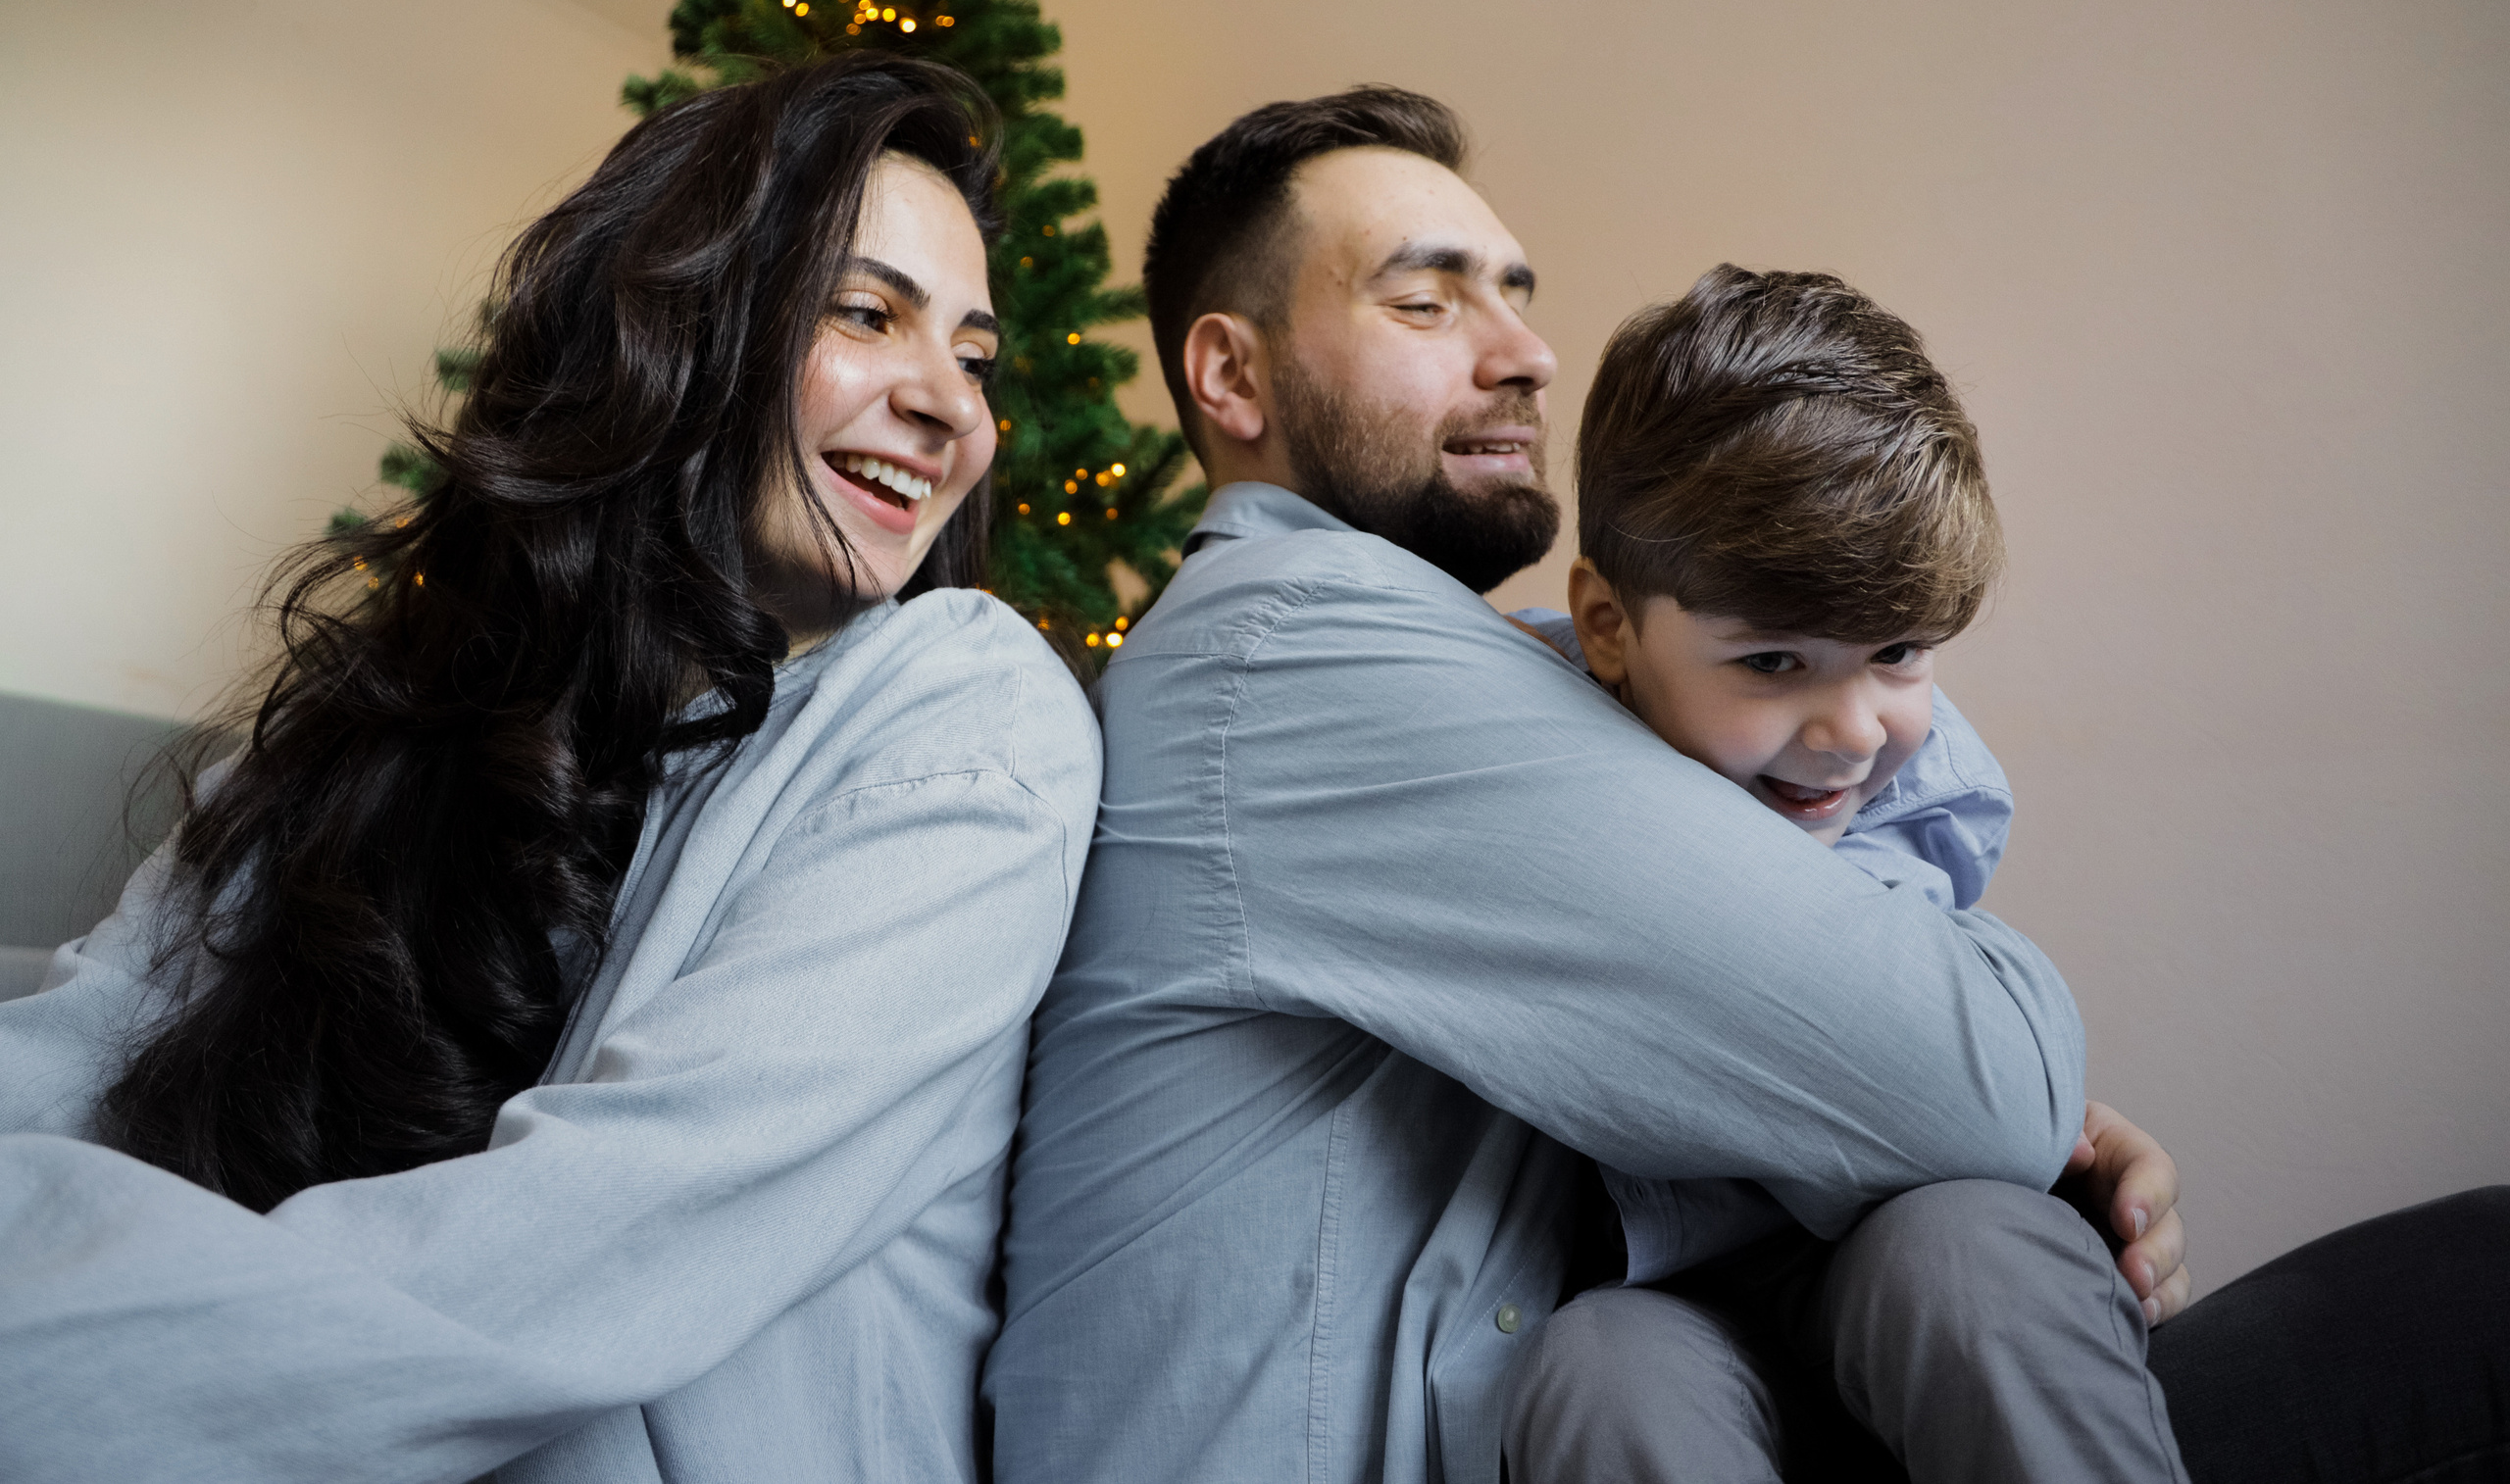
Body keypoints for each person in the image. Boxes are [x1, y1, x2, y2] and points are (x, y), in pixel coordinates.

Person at [982, 85, 2510, 1484]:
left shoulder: (1497, 667)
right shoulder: (1304, 650)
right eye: (1426, 295)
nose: (1522, 351)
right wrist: (2028, 1089)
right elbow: (1972, 1074)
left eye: (1518, 293)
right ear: (1230, 372)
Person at [0, 54, 1101, 1483]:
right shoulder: (374, 725)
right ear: (685, 320)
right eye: (868, 311)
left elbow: (583, 1243)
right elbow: (78, 1054)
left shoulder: (965, 702)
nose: (954, 406)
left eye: (975, 355)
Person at [1500, 268, 2183, 1481]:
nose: (1854, 729)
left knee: (1973, 1255)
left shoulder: (1918, 800)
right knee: (1596, 1368)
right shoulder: (1531, 753)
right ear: (1606, 627)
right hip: (1653, 1283)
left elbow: (1925, 1039)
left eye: (1899, 654)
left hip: (1890, 1241)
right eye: (1772, 662)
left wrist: (2062, 1136)